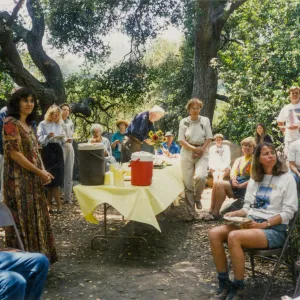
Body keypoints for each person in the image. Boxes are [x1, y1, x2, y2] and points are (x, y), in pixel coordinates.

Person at [209, 142, 297, 300]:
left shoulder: (287, 178)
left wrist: (264, 224)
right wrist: (235, 213)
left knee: (234, 237)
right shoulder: (255, 179)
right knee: (214, 233)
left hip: (273, 229)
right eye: (266, 154)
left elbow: (289, 212)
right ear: (258, 159)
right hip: (250, 223)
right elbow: (248, 207)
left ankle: (239, 288)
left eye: (272, 152)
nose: (271, 156)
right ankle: (224, 283)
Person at [3, 88, 57, 263]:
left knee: (36, 217)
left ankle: (39, 261)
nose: (29, 104)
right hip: (17, 180)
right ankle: (23, 263)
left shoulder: (30, 125)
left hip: (33, 179)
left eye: (32, 101)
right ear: (16, 102)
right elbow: (14, 154)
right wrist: (38, 171)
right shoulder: (10, 122)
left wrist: (43, 170)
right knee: (22, 220)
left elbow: (34, 151)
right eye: (25, 100)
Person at [178, 97, 213, 221]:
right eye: (193, 108)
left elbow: (209, 137)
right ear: (189, 109)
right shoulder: (184, 121)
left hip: (202, 151)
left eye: (198, 108)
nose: (195, 110)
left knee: (201, 176)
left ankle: (197, 198)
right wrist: (193, 149)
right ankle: (191, 213)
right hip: (187, 152)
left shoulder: (205, 120)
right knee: (188, 184)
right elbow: (181, 139)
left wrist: (201, 149)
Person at [205, 137, 255, 221]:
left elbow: (254, 178)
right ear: (242, 147)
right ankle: (212, 210)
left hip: (246, 187)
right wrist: (234, 180)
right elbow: (233, 173)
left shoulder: (254, 160)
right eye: (244, 146)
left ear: (253, 148)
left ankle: (215, 212)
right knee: (217, 182)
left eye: (249, 146)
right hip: (236, 185)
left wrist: (240, 185)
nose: (247, 148)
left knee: (220, 183)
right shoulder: (239, 160)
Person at [37, 105, 65, 214]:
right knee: (49, 178)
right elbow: (39, 139)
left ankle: (51, 204)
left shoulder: (59, 125)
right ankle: (57, 204)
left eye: (58, 115)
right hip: (47, 151)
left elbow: (62, 138)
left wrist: (64, 139)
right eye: (54, 114)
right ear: (50, 114)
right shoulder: (43, 124)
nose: (56, 117)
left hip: (57, 150)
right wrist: (47, 136)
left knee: (56, 178)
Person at [277, 86, 300, 155]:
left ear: (299, 94)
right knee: (290, 162)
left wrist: (298, 126)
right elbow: (280, 121)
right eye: (292, 93)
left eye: (296, 93)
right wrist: (284, 133)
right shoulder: (286, 108)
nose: (294, 95)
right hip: (289, 140)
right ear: (289, 95)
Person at [60, 103, 75, 204]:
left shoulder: (70, 122)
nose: (66, 111)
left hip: (69, 146)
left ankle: (67, 197)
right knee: (58, 172)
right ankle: (53, 197)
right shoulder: (56, 121)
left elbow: (72, 134)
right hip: (59, 147)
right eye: (64, 109)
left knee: (69, 171)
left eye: (68, 110)